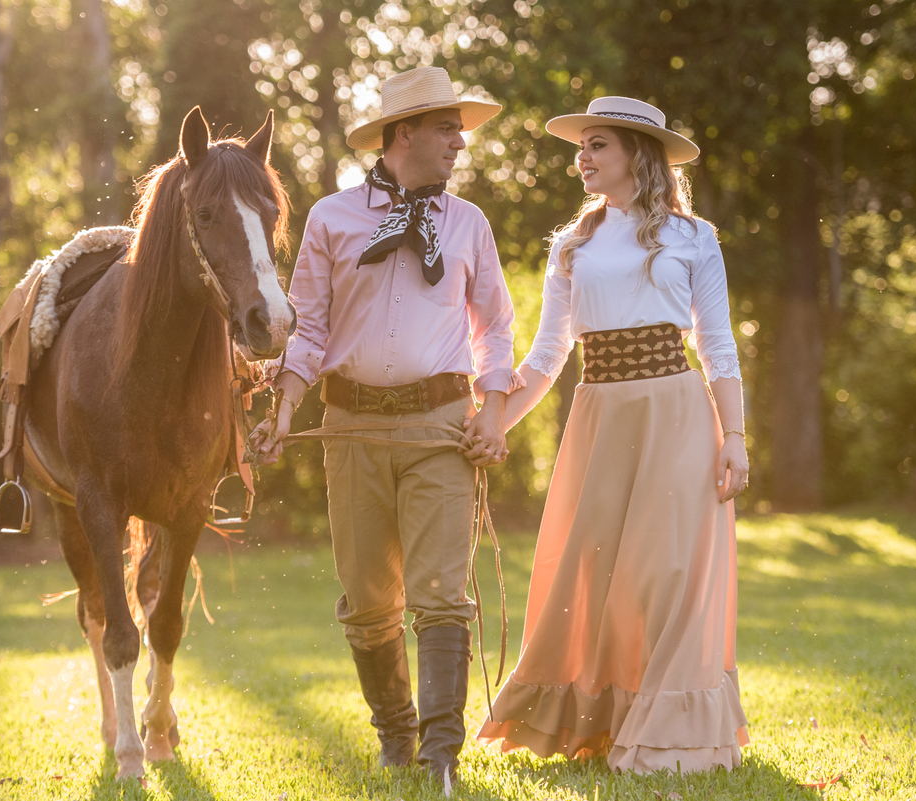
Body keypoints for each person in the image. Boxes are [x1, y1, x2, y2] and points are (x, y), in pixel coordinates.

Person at [250, 67, 522, 788]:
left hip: (442, 429)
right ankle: (397, 735)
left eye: (459, 130)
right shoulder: (332, 219)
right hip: (352, 429)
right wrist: (283, 411)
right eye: (446, 129)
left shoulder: (468, 224)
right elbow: (308, 329)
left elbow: (495, 327)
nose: (459, 142)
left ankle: (441, 755)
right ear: (404, 133)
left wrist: (494, 414)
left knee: (440, 591)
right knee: (368, 598)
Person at [475, 96, 751, 774]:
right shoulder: (572, 246)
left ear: (637, 153)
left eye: (598, 144)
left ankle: (669, 733)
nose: (583, 158)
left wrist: (735, 435)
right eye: (582, 146)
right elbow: (547, 355)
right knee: (598, 575)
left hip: (677, 414)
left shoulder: (693, 238)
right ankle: (605, 722)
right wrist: (491, 424)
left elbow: (717, 344)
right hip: (599, 416)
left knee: (665, 573)